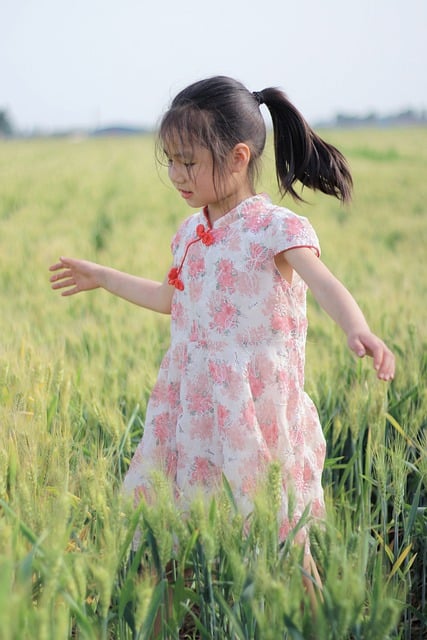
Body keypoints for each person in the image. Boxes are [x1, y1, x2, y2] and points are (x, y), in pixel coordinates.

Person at [50, 75, 395, 604]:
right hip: (186, 407)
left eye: (188, 161)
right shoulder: (190, 233)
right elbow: (173, 299)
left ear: (237, 158)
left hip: (249, 414)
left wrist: (359, 328)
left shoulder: (273, 228)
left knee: (279, 537)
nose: (176, 175)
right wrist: (102, 275)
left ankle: (320, 620)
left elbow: (325, 283)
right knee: (161, 531)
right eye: (170, 160)